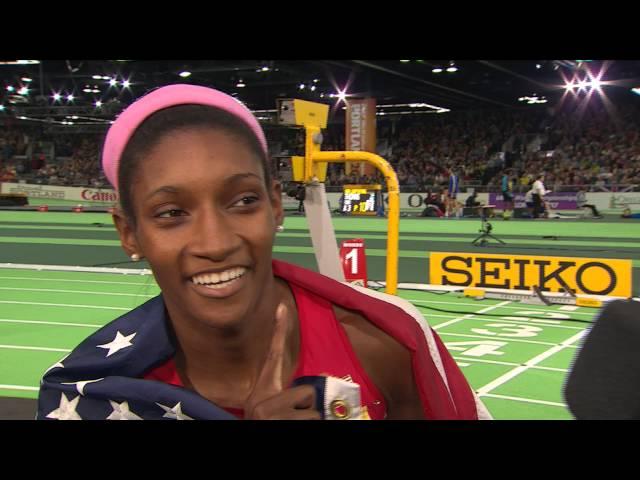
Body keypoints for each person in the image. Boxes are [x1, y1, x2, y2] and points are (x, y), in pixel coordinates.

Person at [37, 85, 489, 420]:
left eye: (243, 201)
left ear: (275, 206)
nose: (215, 243)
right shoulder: (90, 396)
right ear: (129, 233)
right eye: (172, 212)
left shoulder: (384, 343)